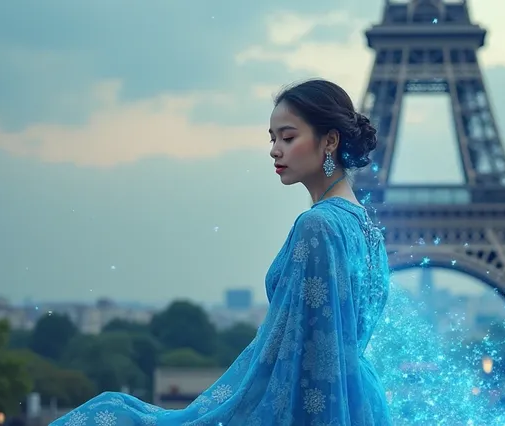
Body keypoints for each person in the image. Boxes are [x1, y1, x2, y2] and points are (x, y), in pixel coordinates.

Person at [50, 79, 392, 426]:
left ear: (330, 140)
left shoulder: (318, 226)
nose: (275, 150)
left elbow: (313, 353)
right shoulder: (367, 231)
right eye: (272, 138)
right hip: (360, 400)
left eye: (288, 137)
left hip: (318, 399)